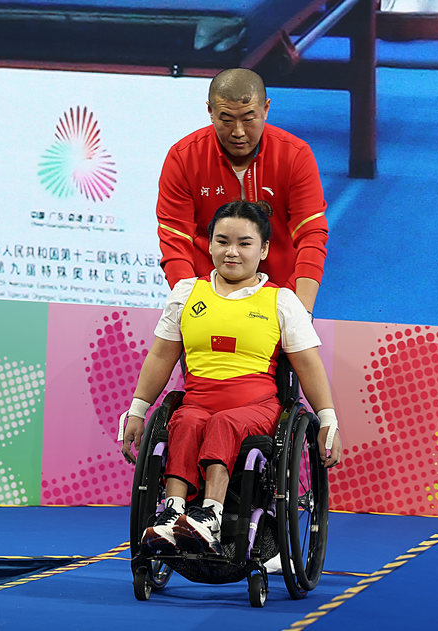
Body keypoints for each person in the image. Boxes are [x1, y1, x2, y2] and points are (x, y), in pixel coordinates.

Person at [121, 200, 342, 555]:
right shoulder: (186, 294)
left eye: (244, 243)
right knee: (185, 422)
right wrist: (137, 411)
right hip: (198, 402)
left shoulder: (282, 302)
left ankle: (210, 516)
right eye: (222, 241)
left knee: (223, 422)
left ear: (263, 249)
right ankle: (173, 514)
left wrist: (328, 421)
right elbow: (161, 356)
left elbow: (308, 365)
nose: (232, 252)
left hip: (256, 408)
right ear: (209, 244)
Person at [155, 68, 328, 314]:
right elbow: (175, 240)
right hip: (207, 298)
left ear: (266, 109)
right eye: (226, 120)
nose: (238, 132)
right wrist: (191, 308)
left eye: (248, 119)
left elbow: (311, 236)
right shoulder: (183, 158)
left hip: (281, 298)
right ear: (210, 112)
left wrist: (300, 312)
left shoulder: (295, 155)